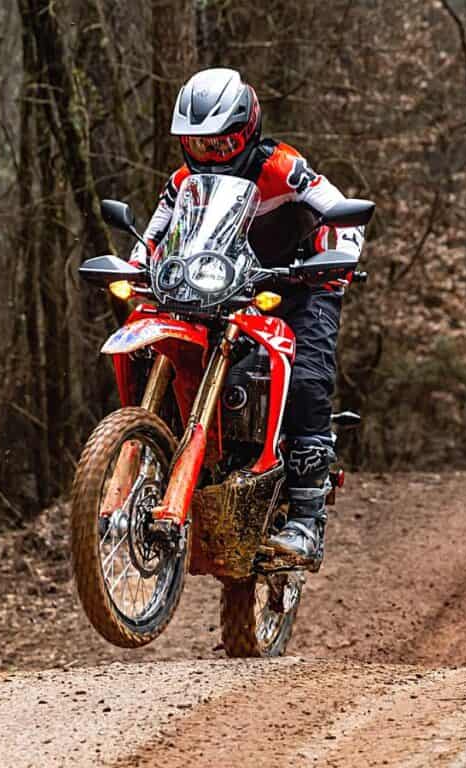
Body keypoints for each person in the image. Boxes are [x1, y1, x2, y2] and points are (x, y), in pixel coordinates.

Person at [130, 68, 365, 569]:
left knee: (304, 378)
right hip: (219, 286)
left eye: (223, 143)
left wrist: (339, 255)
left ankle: (305, 516)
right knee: (151, 338)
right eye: (200, 145)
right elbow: (150, 238)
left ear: (247, 130)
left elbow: (338, 209)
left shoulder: (284, 167)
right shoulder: (182, 184)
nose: (212, 155)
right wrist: (131, 268)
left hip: (300, 282)